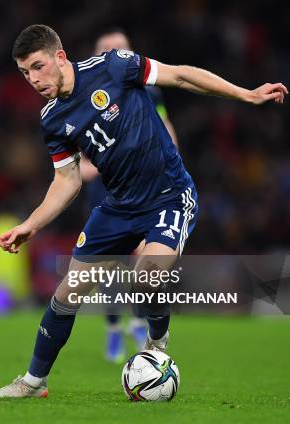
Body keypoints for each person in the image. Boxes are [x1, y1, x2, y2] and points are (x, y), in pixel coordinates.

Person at [0, 24, 287, 398]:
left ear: (59, 57)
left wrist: (244, 94)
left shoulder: (113, 66)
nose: (33, 79)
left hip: (169, 195)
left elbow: (179, 76)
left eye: (37, 67)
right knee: (67, 294)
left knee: (146, 276)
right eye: (25, 73)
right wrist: (30, 224)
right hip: (118, 206)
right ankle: (33, 382)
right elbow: (67, 181)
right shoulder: (52, 119)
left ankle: (157, 342)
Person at [86, 28, 178, 362]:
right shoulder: (87, 101)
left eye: (122, 50)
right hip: (106, 193)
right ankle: (113, 329)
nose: (116, 57)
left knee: (145, 262)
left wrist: (172, 163)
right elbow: (80, 164)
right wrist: (101, 163)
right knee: (108, 267)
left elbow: (166, 129)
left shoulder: (148, 93)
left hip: (147, 191)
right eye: (108, 51)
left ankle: (139, 321)